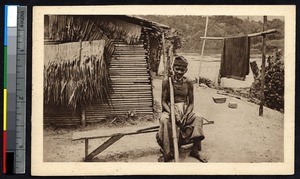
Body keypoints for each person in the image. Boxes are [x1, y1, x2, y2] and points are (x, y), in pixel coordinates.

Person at [156, 56, 207, 162]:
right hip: (170, 110)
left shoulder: (188, 82)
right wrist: (173, 113)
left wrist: (186, 114)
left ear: (186, 70)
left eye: (182, 70)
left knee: (198, 117)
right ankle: (167, 152)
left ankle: (195, 150)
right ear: (173, 68)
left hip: (184, 110)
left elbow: (191, 103)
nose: (179, 72)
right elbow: (163, 102)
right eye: (177, 69)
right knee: (164, 120)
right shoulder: (167, 81)